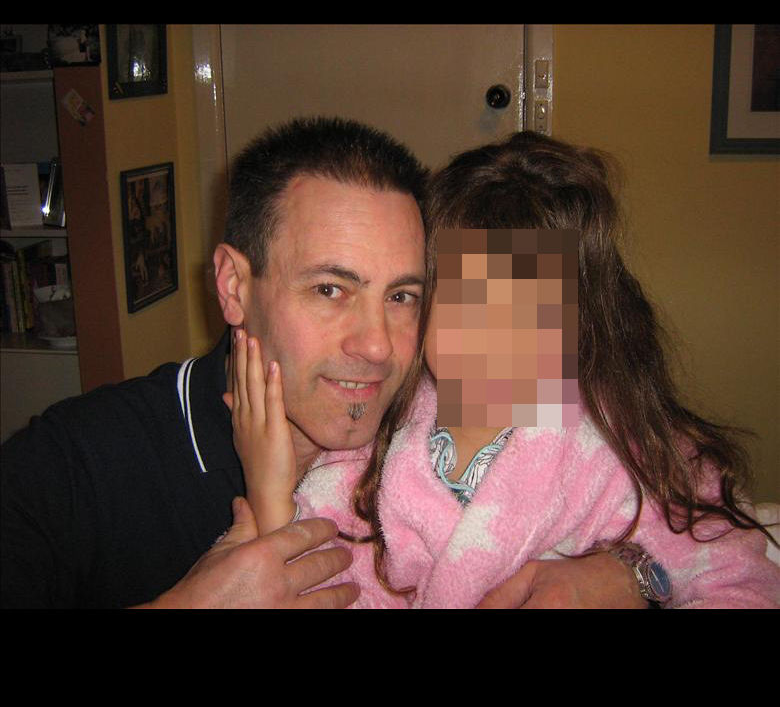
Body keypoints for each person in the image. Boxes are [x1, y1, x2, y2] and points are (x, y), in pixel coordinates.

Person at [1, 117, 645, 609]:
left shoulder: (465, 416)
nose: (377, 346)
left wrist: (636, 575)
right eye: (330, 289)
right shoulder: (69, 469)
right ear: (233, 286)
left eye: (402, 296)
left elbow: (670, 497)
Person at [232, 130, 780, 608]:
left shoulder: (624, 448)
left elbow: (741, 582)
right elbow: (317, 587)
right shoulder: (374, 447)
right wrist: (272, 493)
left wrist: (642, 577)